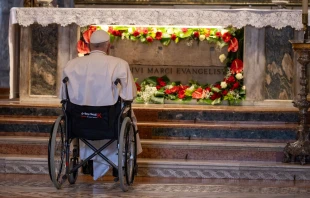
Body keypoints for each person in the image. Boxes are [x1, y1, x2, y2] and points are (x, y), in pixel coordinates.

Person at [61, 30, 142, 180]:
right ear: (108, 46)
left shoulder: (71, 64)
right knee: (126, 116)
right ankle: (119, 162)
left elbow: (63, 97)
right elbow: (129, 95)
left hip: (79, 122)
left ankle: (87, 160)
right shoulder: (119, 64)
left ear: (88, 46)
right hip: (108, 122)